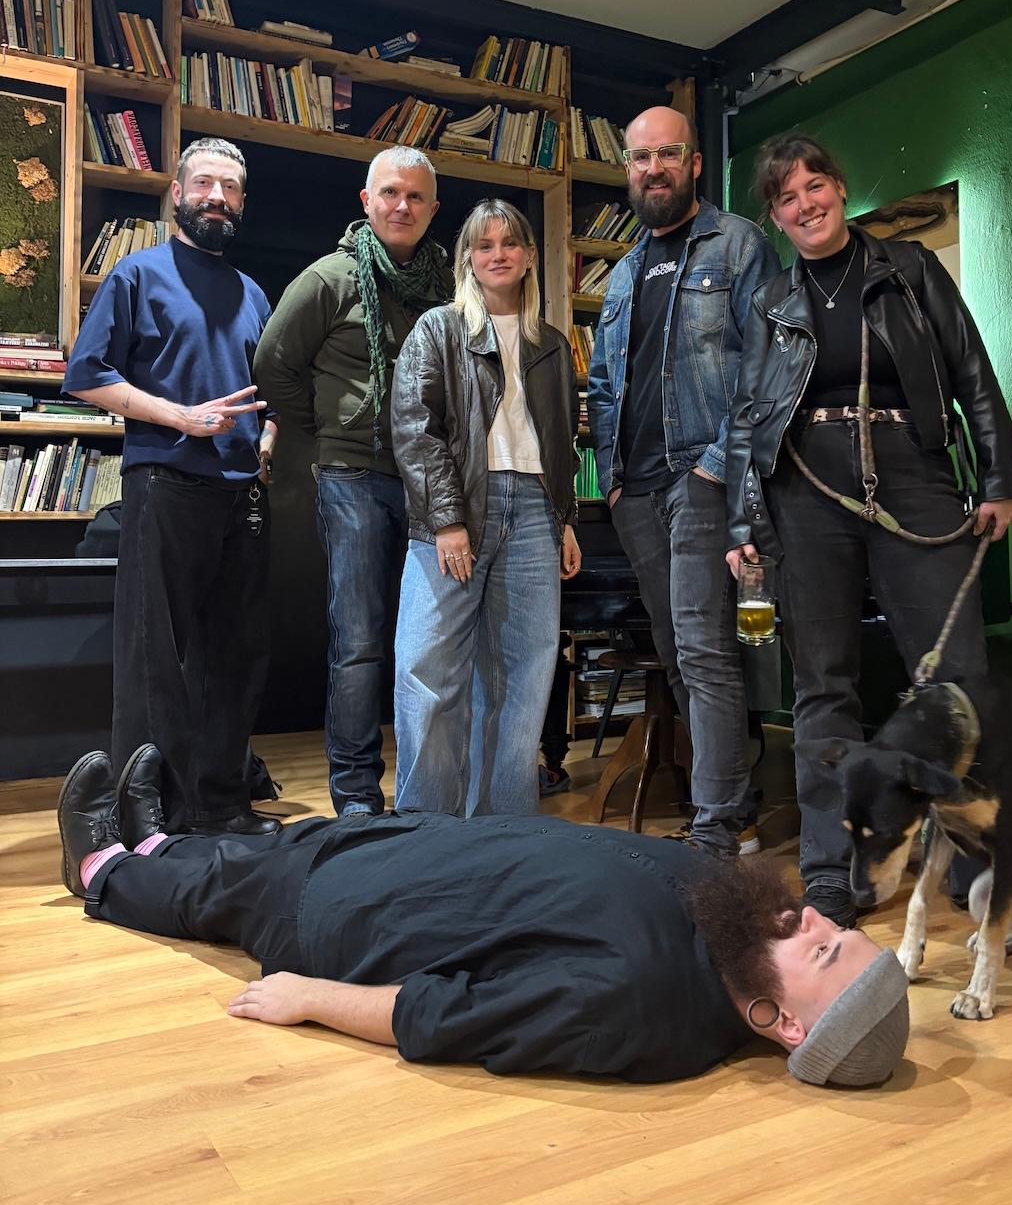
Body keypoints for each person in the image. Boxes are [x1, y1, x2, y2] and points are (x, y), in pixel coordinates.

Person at [57, 745, 911, 1088]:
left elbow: (446, 1015)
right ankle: (160, 840)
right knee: (250, 853)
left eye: (826, 952)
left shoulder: (639, 1012)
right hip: (410, 852)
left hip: (347, 917)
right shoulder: (733, 923)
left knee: (224, 896)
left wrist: (310, 997)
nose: (809, 920)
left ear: (788, 1026)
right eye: (833, 929)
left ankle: (101, 870)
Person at [726, 132, 1012, 926]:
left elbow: (973, 376)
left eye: (813, 187)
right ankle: (833, 872)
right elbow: (748, 415)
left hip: (913, 479)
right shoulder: (770, 303)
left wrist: (999, 479)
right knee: (824, 683)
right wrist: (743, 519)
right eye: (785, 198)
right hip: (804, 489)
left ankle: (973, 864)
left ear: (840, 189)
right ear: (776, 218)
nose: (804, 205)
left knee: (956, 681)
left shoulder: (911, 268)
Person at [64, 137, 279, 837]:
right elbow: (88, 374)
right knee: (156, 655)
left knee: (235, 654)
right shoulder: (137, 275)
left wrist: (267, 440)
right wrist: (178, 416)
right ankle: (148, 814)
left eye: (231, 188)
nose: (217, 197)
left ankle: (221, 803)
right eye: (205, 184)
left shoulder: (254, 294)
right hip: (164, 482)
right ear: (178, 194)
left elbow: (270, 397)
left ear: (243, 204)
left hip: (242, 493)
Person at [587, 106, 781, 858]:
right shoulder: (626, 269)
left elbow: (764, 366)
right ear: (629, 171)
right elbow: (605, 383)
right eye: (639, 158)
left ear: (694, 163)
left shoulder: (738, 244)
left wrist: (717, 464)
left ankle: (718, 823)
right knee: (676, 653)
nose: (652, 168)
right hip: (633, 491)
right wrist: (608, 480)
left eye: (667, 153)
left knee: (704, 650)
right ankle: (733, 791)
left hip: (700, 477)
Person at [253, 147, 453, 817]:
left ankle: (430, 788)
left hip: (432, 480)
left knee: (431, 639)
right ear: (365, 201)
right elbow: (273, 363)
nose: (402, 206)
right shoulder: (328, 279)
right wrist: (331, 426)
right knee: (361, 640)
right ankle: (357, 794)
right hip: (355, 477)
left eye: (416, 197)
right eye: (390, 193)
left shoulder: (449, 285)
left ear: (431, 209)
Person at [390, 199, 582, 816]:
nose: (497, 254)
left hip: (533, 513)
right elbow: (415, 430)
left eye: (509, 244)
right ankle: (427, 828)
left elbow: (561, 443)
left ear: (528, 256)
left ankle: (504, 831)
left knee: (524, 677)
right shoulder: (439, 329)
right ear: (468, 259)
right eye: (483, 245)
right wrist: (447, 520)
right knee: (429, 672)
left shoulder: (551, 345)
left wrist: (565, 518)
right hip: (458, 508)